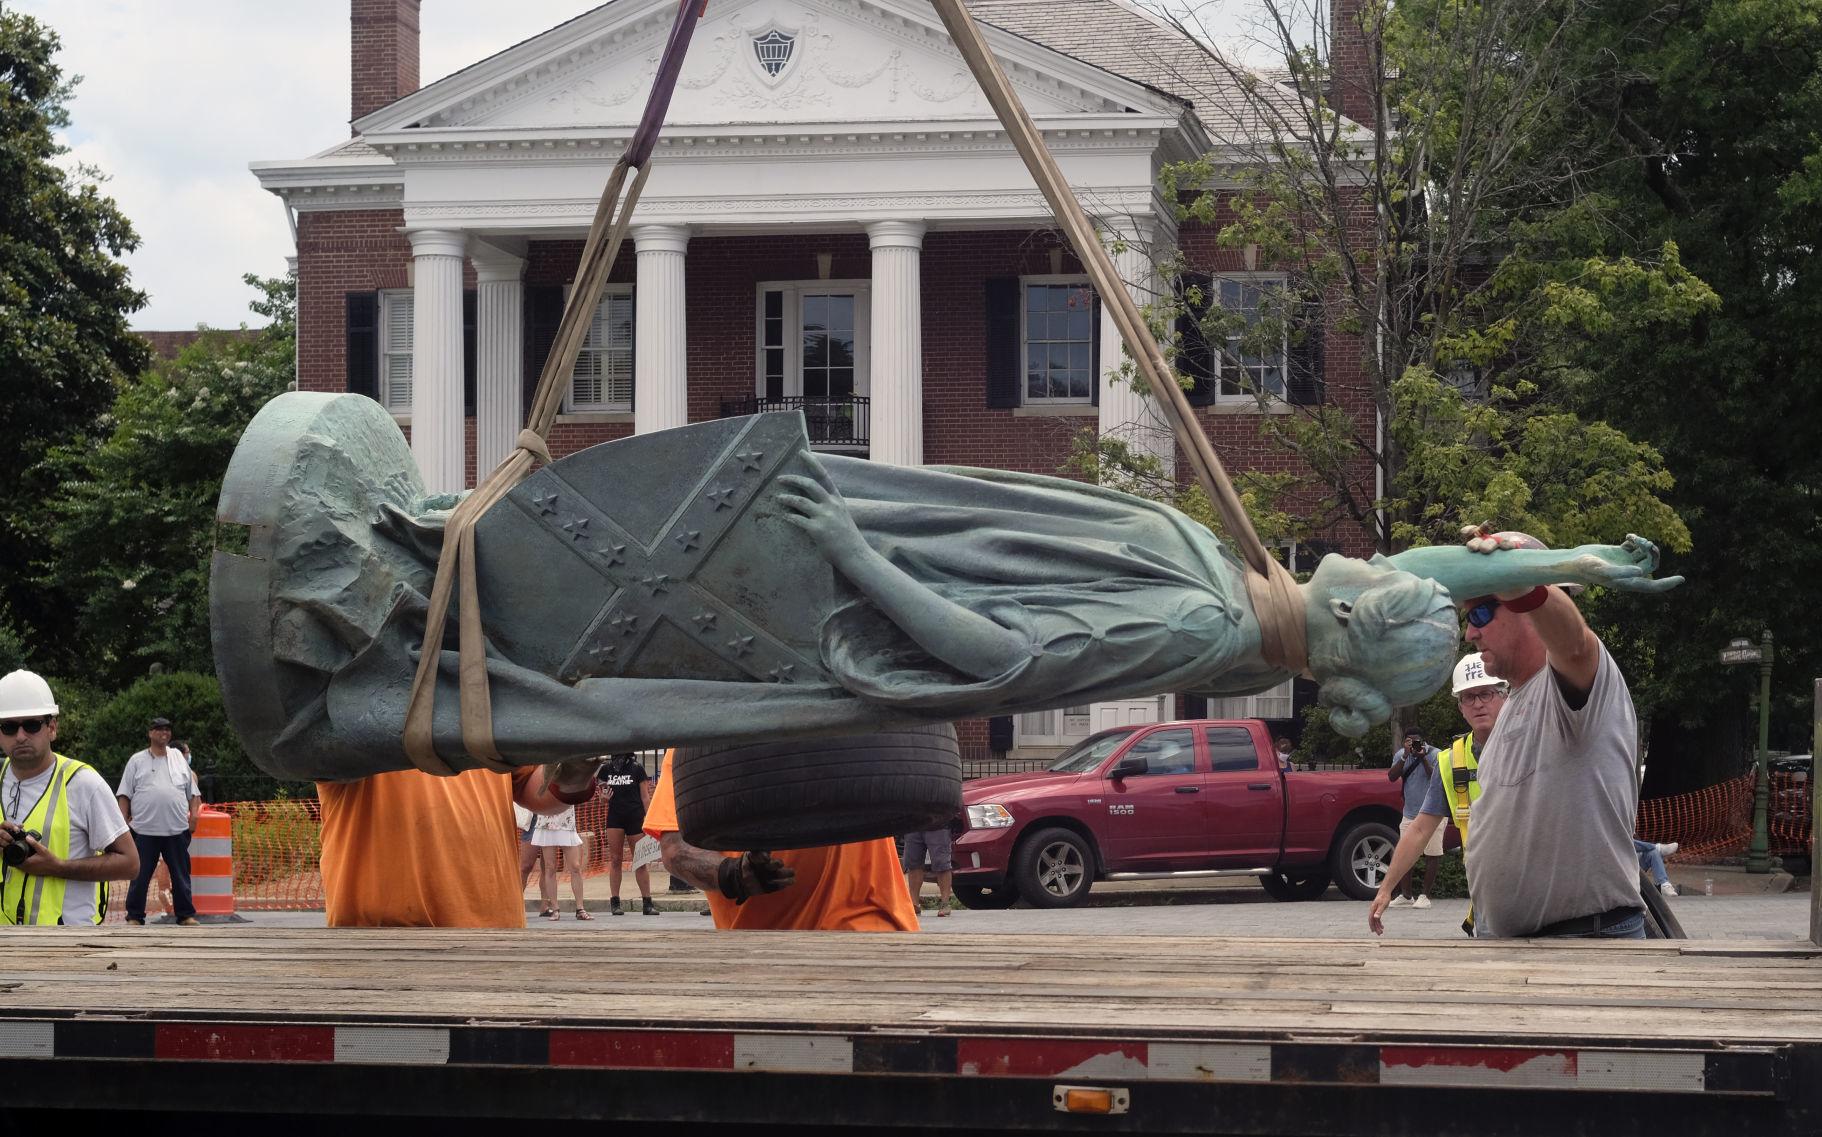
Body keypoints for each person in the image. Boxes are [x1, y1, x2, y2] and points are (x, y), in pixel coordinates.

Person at [219, 393, 1682, 783]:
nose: (1376, 554)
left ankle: (373, 605)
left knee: (592, 609)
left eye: (1382, 580)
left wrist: (838, 550)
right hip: (871, 531)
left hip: (855, 572)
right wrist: (1554, 562)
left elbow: (982, 661)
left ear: (1352, 623)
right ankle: (404, 568)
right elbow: (1427, 576)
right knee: (569, 578)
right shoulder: (1248, 586)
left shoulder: (1203, 617)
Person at [1380, 528, 1655, 939]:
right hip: (1520, 944)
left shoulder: (1579, 682)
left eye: (1480, 614)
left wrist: (1522, 584)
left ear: (1529, 607)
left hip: (1585, 947)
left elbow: (1575, 644)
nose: (1470, 634)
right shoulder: (1514, 705)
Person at [643, 750, 918, 932]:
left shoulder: (848, 712)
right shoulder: (697, 745)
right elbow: (675, 850)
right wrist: (733, 874)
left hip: (872, 926)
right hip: (768, 949)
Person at [317, 758, 600, 927]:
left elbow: (532, 787)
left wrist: (572, 768)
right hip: (383, 940)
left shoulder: (485, 687)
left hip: (494, 927)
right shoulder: (356, 684)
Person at [1371, 653, 1507, 937]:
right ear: (1460, 707)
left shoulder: (1536, 745)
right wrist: (1385, 890)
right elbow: (1420, 829)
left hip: (1546, 900)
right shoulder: (1451, 761)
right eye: (1468, 697)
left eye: (1486, 693)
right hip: (1491, 908)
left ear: (1505, 696)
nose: (1478, 703)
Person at [0, 671, 138, 925]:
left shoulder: (83, 783)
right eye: (8, 727)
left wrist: (58, 866)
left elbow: (130, 863)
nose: (20, 736)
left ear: (52, 727)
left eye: (31, 725)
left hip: (69, 943)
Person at [115, 716, 203, 926]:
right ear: (150, 733)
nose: (164, 733)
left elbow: (193, 793)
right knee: (140, 874)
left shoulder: (178, 759)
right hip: (145, 830)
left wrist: (195, 816)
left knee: (181, 875)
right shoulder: (137, 761)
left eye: (167, 729)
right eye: (159, 729)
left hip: (176, 829)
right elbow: (124, 795)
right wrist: (121, 825)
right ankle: (134, 916)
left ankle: (185, 915)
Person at [1386, 729, 1442, 909]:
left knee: (1432, 853)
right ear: (1405, 742)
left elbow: (1437, 777)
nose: (1414, 744)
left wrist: (1423, 757)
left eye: (1416, 741)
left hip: (1433, 812)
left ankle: (1425, 895)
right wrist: (1405, 757)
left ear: (1423, 741)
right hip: (1409, 812)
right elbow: (1392, 777)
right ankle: (1406, 895)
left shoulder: (1435, 753)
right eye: (1410, 741)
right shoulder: (1402, 755)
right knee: (1405, 853)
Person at [598, 752, 657, 916]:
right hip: (615, 818)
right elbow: (602, 797)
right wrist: (603, 798)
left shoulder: (637, 768)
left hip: (635, 817)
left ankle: (647, 902)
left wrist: (649, 820)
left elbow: (645, 797)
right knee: (615, 859)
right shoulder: (606, 769)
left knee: (640, 860)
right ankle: (615, 902)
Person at [534, 800, 591, 920]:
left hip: (566, 821)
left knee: (575, 866)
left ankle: (580, 908)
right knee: (550, 867)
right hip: (546, 820)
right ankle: (555, 909)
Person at [902, 819, 956, 918]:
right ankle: (914, 904)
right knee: (913, 864)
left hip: (938, 823)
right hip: (912, 824)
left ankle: (945, 904)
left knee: (942, 864)